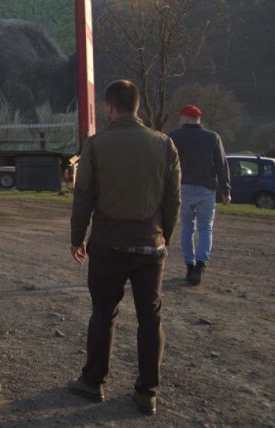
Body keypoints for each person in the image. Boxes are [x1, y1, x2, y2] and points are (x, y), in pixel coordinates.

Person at [68, 80, 181, 416]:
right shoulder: (164, 144)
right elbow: (173, 199)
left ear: (109, 107)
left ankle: (93, 381)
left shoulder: (97, 144)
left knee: (103, 312)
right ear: (138, 107)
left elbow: (83, 196)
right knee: (151, 317)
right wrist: (165, 238)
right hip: (151, 245)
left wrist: (77, 238)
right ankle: (147, 392)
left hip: (107, 244)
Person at [168, 104, 231, 286]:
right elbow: (221, 164)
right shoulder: (212, 137)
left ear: (187, 118)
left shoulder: (174, 137)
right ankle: (201, 265)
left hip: (183, 188)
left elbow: (166, 164)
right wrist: (226, 190)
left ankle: (189, 264)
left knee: (187, 227)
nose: (179, 120)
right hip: (206, 189)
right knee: (206, 228)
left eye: (181, 117)